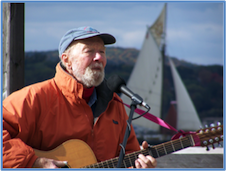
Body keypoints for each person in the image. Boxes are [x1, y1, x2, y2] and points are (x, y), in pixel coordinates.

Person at [3, 26, 157, 168]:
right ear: (66, 60)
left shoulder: (115, 104)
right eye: (89, 51)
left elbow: (128, 156)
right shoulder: (33, 98)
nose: (98, 57)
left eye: (102, 52)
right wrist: (34, 161)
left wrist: (139, 166)